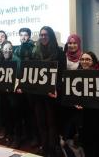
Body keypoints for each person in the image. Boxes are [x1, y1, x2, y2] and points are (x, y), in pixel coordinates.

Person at [32, 26, 66, 157]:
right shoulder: (35, 53)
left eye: (45, 35)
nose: (43, 37)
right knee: (40, 121)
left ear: (51, 36)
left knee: (52, 122)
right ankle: (44, 146)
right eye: (41, 35)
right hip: (38, 95)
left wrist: (56, 89)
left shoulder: (59, 52)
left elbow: (62, 74)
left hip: (53, 94)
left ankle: (53, 148)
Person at [13, 27, 39, 148]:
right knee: (17, 113)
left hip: (31, 86)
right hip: (18, 86)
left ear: (29, 36)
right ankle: (18, 137)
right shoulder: (16, 50)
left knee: (31, 113)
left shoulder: (34, 49)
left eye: (26, 35)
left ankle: (33, 137)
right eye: (21, 35)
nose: (23, 37)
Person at [77, 51, 99, 157]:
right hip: (81, 115)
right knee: (85, 142)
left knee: (95, 142)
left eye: (88, 59)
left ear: (93, 61)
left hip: (95, 115)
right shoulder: (74, 74)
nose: (85, 61)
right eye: (83, 59)